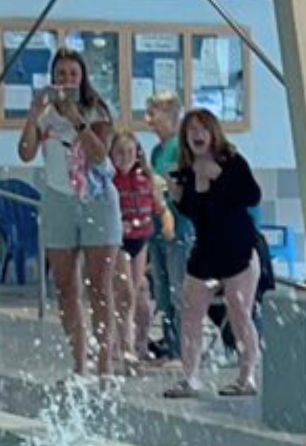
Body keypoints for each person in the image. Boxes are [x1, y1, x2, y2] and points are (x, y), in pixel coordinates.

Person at [17, 47, 121, 382]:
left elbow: (99, 154)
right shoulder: (46, 117)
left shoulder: (98, 111)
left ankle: (105, 364)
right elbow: (25, 153)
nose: (66, 81)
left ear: (83, 77)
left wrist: (75, 117)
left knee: (99, 286)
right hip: (59, 200)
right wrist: (34, 113)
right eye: (60, 75)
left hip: (97, 200)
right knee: (65, 285)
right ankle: (80, 362)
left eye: (72, 75)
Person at [164, 109, 262, 399]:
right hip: (206, 251)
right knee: (190, 312)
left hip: (239, 249)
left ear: (213, 133)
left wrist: (219, 177)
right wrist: (178, 198)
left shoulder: (231, 162)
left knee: (239, 311)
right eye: (191, 129)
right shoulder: (186, 169)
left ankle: (247, 376)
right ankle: (190, 377)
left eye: (202, 129)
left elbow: (251, 195)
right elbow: (195, 213)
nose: (197, 134)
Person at [110, 128, 170, 374]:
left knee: (138, 292)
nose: (124, 157)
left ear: (137, 154)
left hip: (140, 241)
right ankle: (125, 345)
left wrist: (167, 224)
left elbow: (160, 208)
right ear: (111, 155)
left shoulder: (146, 179)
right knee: (126, 292)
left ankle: (139, 342)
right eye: (119, 153)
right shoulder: (110, 180)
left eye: (129, 152)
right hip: (119, 242)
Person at [145, 90, 191, 361]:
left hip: (180, 228)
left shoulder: (179, 148)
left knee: (178, 291)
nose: (148, 120)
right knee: (163, 293)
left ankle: (185, 352)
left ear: (170, 114)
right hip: (158, 230)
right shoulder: (157, 151)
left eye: (153, 113)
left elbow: (177, 189)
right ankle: (172, 346)